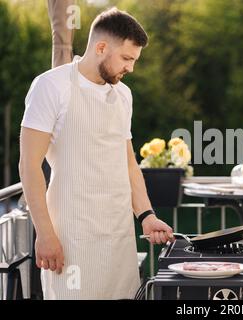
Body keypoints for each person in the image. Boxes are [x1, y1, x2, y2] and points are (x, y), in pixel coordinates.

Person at [19, 7, 174, 300]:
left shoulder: (123, 95)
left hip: (118, 237)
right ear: (101, 47)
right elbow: (29, 166)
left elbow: (128, 165)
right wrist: (45, 233)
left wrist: (147, 216)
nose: (131, 68)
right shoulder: (51, 86)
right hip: (70, 238)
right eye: (127, 58)